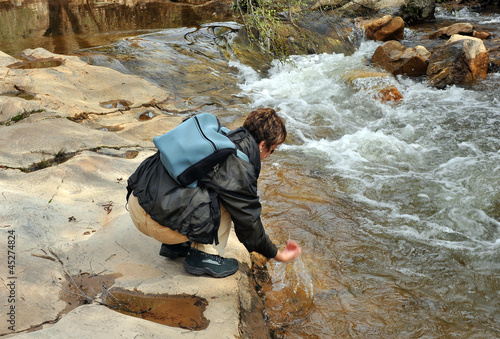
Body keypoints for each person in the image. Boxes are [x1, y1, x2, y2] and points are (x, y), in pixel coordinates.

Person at [126, 108, 302, 278]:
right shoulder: (240, 165)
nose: (270, 155)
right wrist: (279, 255)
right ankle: (203, 256)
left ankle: (178, 246)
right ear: (263, 145)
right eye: (272, 150)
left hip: (137, 202)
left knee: (204, 184)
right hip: (155, 223)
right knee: (230, 202)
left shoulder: (219, 136)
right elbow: (249, 225)